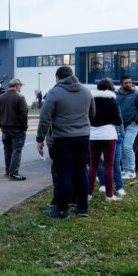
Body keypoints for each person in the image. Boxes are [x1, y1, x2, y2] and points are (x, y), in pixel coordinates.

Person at [36, 66, 95, 218]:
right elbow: (93, 114)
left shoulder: (55, 92)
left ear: (57, 77)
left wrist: (40, 138)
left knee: (64, 173)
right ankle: (82, 208)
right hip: (83, 137)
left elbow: (44, 118)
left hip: (62, 138)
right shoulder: (86, 91)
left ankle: (62, 210)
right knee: (81, 171)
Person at [87, 78, 122, 201]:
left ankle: (88, 193)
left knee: (93, 166)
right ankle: (109, 195)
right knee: (109, 166)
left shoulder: (92, 100)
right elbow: (118, 121)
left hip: (94, 136)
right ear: (111, 88)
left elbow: (88, 117)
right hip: (108, 136)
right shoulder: (112, 102)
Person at [0, 78, 29, 181]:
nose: (20, 88)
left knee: (7, 150)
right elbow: (24, 114)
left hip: (5, 128)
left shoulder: (1, 97)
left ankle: (8, 170)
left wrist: (1, 126)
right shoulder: (20, 97)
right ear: (16, 86)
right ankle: (14, 172)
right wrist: (24, 128)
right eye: (20, 86)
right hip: (17, 129)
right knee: (17, 149)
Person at [116, 76, 138, 179]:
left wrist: (136, 120)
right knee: (121, 148)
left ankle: (131, 170)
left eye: (130, 82)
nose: (128, 84)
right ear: (121, 84)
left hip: (131, 125)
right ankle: (124, 169)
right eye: (126, 83)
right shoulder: (116, 95)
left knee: (127, 147)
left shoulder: (136, 95)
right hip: (118, 125)